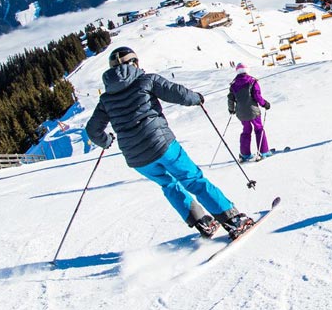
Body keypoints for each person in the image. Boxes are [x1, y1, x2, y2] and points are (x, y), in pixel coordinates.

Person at [85, 46, 253, 239]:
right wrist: (196, 98)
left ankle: (203, 223)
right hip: (161, 144)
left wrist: (106, 141)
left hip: (136, 158)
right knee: (193, 179)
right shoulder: (146, 80)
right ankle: (233, 220)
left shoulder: (106, 99)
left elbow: (92, 130)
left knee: (169, 185)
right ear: (135, 63)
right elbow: (176, 92)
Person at [227, 63, 273, 161]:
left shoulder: (233, 84)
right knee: (259, 128)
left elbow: (231, 98)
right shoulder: (252, 81)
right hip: (253, 111)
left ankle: (245, 154)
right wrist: (264, 104)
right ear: (247, 70)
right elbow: (257, 96)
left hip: (241, 113)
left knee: (246, 130)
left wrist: (231, 109)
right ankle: (263, 151)